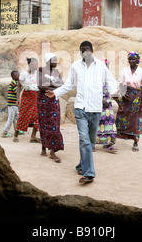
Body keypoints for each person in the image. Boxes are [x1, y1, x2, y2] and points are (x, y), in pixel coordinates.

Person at [46, 41, 118, 184]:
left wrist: (119, 99)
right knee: (84, 140)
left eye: (87, 51)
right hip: (81, 108)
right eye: (82, 51)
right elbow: (69, 84)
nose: (84, 53)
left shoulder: (101, 66)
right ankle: (88, 173)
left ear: (92, 51)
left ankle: (81, 165)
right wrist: (55, 93)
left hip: (96, 109)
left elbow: (110, 83)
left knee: (89, 142)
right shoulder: (76, 66)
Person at [115, 52, 142, 152]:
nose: (131, 61)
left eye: (133, 59)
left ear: (137, 60)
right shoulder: (124, 70)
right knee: (121, 115)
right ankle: (114, 139)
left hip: (137, 97)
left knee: (135, 119)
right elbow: (121, 83)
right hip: (126, 95)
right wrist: (122, 93)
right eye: (129, 59)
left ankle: (136, 141)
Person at [37, 53, 64, 163]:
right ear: (48, 61)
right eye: (54, 59)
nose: (56, 62)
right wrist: (53, 86)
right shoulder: (40, 71)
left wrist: (50, 87)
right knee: (43, 123)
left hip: (54, 99)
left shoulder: (57, 72)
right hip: (43, 101)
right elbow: (40, 86)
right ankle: (44, 147)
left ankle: (52, 151)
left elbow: (62, 84)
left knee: (54, 123)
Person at [95, 58, 118, 154]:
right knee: (95, 122)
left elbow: (112, 89)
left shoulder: (108, 77)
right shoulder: (95, 76)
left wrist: (119, 102)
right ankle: (92, 144)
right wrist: (101, 100)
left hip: (107, 103)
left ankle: (109, 143)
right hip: (96, 102)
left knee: (109, 122)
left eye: (107, 66)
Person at [15, 58, 40, 143]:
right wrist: (18, 99)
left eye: (37, 64)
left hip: (36, 96)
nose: (36, 65)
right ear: (30, 65)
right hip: (27, 96)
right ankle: (16, 135)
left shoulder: (38, 74)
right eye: (35, 64)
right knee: (23, 115)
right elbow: (19, 86)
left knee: (37, 116)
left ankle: (33, 137)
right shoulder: (23, 74)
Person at [2, 70, 20, 138]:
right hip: (12, 104)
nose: (19, 76)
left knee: (16, 118)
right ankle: (5, 132)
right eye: (17, 75)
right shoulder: (14, 83)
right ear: (13, 76)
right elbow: (16, 91)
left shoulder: (15, 82)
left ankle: (17, 130)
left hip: (14, 104)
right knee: (11, 118)